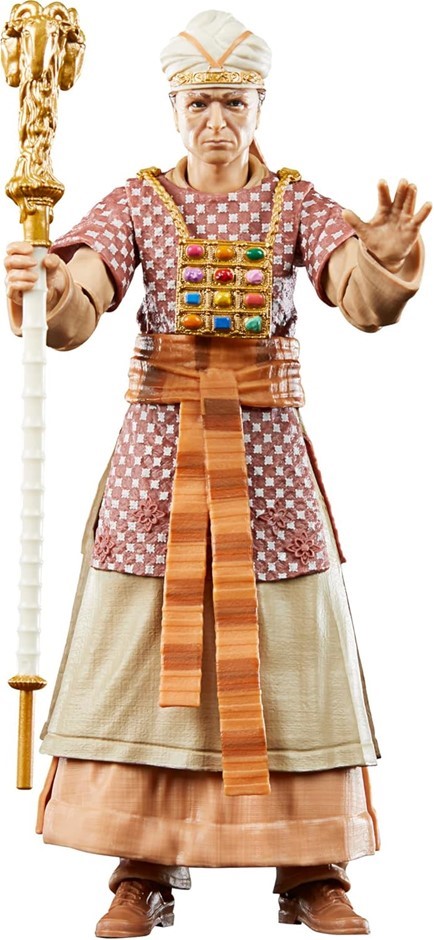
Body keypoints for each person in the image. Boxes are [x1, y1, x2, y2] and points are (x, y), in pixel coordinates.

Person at [4, 9, 431, 938]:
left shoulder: (294, 202)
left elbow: (359, 292)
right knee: (148, 642)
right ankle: (141, 862)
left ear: (259, 105)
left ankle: (312, 864)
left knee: (289, 646)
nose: (216, 122)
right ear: (175, 108)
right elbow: (82, 299)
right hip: (158, 460)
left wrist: (388, 259)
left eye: (233, 102)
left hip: (270, 460)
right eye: (199, 103)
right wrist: (50, 283)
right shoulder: (137, 202)